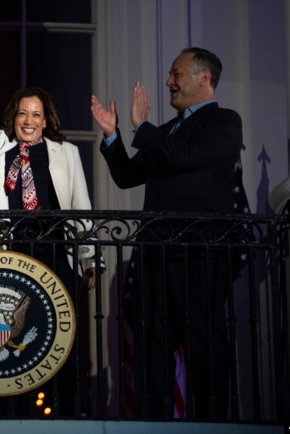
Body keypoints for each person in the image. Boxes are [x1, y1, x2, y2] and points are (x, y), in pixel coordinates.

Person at [90, 47, 243, 419]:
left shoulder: (223, 121)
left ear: (203, 78)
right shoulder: (165, 132)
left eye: (176, 74)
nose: (168, 81)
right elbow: (128, 177)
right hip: (157, 255)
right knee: (151, 346)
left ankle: (212, 425)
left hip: (200, 253)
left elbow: (187, 156)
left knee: (202, 341)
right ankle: (153, 425)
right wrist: (113, 137)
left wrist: (142, 129)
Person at [0, 20, 100, 417]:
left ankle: (70, 413)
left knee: (62, 339)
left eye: (36, 114)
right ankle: (13, 415)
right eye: (22, 113)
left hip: (56, 251)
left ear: (45, 118)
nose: (28, 120)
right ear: (14, 116)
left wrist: (90, 258)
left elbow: (81, 207)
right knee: (14, 343)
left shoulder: (65, 153)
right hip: (9, 252)